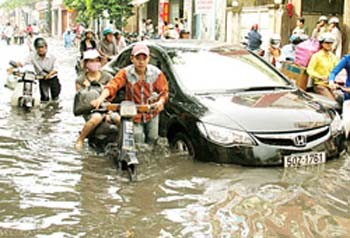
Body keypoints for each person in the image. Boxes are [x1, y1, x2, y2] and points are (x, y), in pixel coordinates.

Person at [91, 43, 168, 144]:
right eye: (138, 58)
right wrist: (100, 99)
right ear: (132, 58)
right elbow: (112, 86)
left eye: (144, 58)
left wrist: (160, 102)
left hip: (152, 112)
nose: (141, 62)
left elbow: (164, 92)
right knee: (138, 138)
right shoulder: (125, 73)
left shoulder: (156, 73)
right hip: (133, 113)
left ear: (148, 59)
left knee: (152, 138)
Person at [75, 49, 113, 149]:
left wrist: (109, 111)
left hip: (107, 107)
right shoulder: (81, 80)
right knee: (96, 118)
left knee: (118, 119)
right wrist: (88, 88)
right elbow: (81, 100)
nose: (94, 63)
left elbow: (112, 95)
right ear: (86, 63)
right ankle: (80, 139)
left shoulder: (107, 77)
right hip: (90, 109)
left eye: (96, 60)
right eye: (91, 61)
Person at [18, 37, 61, 103]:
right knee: (44, 98)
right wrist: (16, 65)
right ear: (36, 48)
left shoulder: (52, 56)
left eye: (42, 47)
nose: (41, 49)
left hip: (52, 78)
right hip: (42, 78)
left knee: (55, 98)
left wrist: (49, 74)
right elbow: (23, 62)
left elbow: (56, 68)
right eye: (38, 48)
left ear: (46, 47)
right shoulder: (32, 56)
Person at [307, 33, 338, 101]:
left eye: (331, 43)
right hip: (320, 85)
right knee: (332, 101)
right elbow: (310, 70)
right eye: (327, 43)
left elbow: (337, 69)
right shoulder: (316, 56)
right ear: (322, 43)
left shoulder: (333, 57)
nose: (329, 45)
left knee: (341, 99)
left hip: (332, 84)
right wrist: (320, 77)